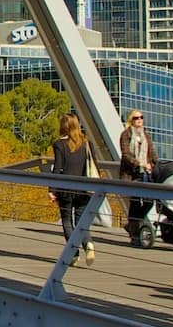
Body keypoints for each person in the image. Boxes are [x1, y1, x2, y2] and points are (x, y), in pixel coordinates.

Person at [48, 113, 99, 267]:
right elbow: (94, 165)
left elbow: (57, 168)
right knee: (80, 221)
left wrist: (52, 189)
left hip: (66, 189)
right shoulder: (86, 143)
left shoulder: (59, 145)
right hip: (84, 188)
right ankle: (88, 243)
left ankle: (73, 253)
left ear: (63, 126)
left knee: (67, 221)